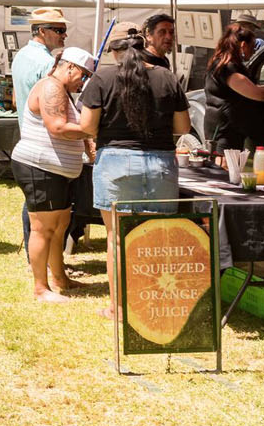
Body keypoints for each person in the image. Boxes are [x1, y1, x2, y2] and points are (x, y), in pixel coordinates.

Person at [77, 34, 192, 320]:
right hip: (160, 163)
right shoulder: (166, 77)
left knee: (117, 240)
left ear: (115, 52)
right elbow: (183, 126)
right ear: (145, 49)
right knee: (159, 238)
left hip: (115, 163)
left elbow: (88, 127)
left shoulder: (102, 78)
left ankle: (118, 308)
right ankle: (156, 301)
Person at [10, 47, 97, 302]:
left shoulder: (63, 91)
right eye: (83, 75)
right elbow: (57, 127)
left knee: (59, 226)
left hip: (55, 170)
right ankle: (40, 288)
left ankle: (60, 278)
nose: (83, 81)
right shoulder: (51, 87)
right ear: (70, 67)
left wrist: (87, 140)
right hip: (40, 167)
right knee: (43, 229)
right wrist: (90, 129)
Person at [206, 14, 264, 155]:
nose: (254, 51)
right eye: (252, 46)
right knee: (225, 172)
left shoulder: (224, 63)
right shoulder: (228, 67)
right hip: (224, 134)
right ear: (243, 46)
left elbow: (248, 88)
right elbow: (258, 94)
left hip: (228, 130)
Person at [11, 8, 67, 111]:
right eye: (60, 31)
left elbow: (15, 101)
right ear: (42, 31)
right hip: (42, 126)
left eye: (65, 31)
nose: (65, 35)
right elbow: (54, 108)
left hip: (25, 126)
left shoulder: (20, 55)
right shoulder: (47, 62)